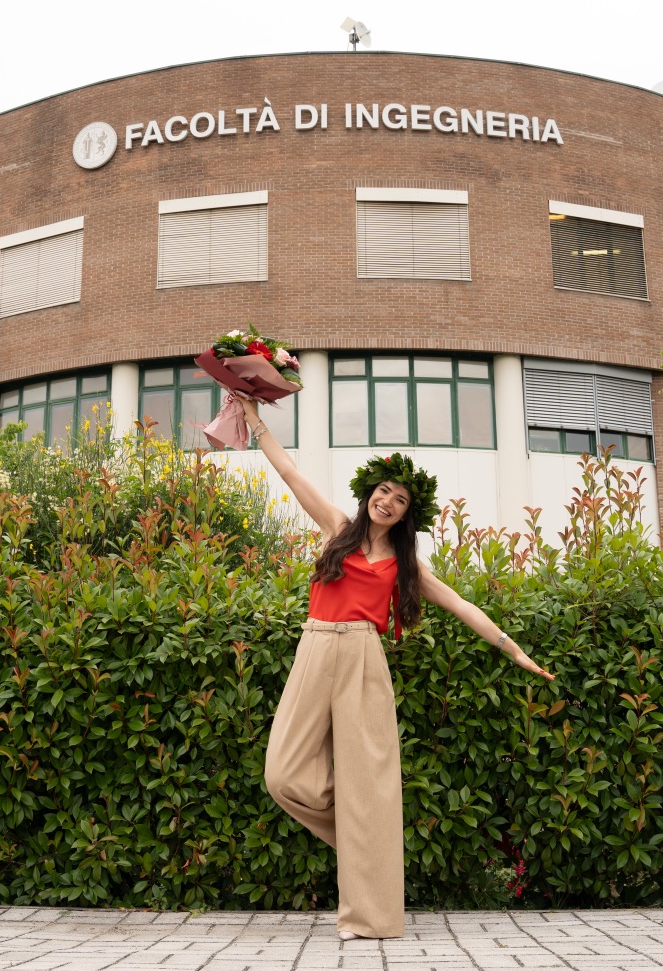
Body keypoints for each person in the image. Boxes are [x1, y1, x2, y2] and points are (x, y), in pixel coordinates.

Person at [237, 394, 555, 942]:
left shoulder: (407, 565)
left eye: (400, 498)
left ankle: (370, 917)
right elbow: (289, 471)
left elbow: (462, 606)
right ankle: (367, 839)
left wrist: (514, 649)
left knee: (370, 784)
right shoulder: (336, 527)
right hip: (315, 647)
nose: (388, 500)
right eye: (383, 490)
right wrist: (254, 420)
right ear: (369, 495)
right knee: (282, 773)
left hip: (363, 656)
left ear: (409, 514)